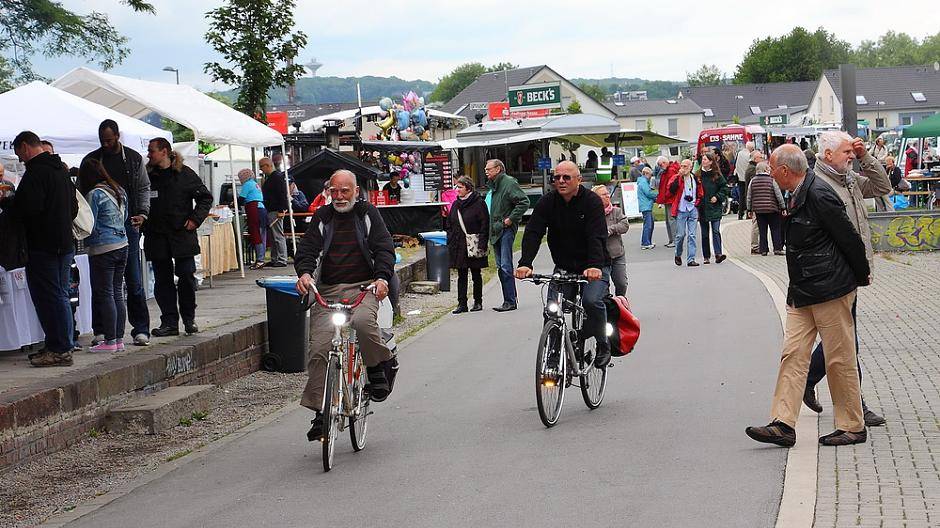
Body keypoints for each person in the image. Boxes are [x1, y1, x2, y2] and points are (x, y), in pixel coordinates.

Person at [746, 144, 871, 447]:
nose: (770, 173)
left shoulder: (819, 194)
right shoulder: (797, 192)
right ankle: (783, 424)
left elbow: (849, 238)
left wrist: (859, 277)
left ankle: (853, 425)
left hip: (830, 289)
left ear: (785, 171)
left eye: (772, 169)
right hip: (803, 291)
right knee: (793, 355)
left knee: (839, 360)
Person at [294, 169, 397, 442]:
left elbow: (384, 248)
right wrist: (304, 274)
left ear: (356, 191)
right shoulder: (322, 217)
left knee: (363, 322)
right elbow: (307, 251)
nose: (339, 196)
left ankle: (376, 367)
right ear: (329, 192)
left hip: (364, 286)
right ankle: (320, 412)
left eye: (345, 191)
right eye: (334, 191)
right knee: (319, 348)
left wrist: (382, 278)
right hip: (328, 290)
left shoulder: (367, 214)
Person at [803, 130, 891, 428]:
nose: (851, 156)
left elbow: (882, 186)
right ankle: (856, 405)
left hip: (851, 270)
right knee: (846, 341)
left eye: (853, 153)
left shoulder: (848, 178)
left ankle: (807, 380)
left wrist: (866, 156)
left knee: (841, 339)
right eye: (846, 152)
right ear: (827, 155)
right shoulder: (819, 185)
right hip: (834, 272)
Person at [515, 161, 612, 368]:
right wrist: (525, 263)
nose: (560, 181)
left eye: (566, 177)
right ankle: (553, 353)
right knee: (552, 310)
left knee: (591, 301)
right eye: (556, 177)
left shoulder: (592, 202)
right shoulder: (547, 202)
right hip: (564, 266)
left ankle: (603, 344)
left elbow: (597, 235)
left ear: (579, 180)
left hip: (594, 265)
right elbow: (533, 233)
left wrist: (595, 265)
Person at [12, 131, 78, 367]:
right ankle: (62, 344)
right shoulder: (60, 169)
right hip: (64, 242)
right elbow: (73, 206)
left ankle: (59, 348)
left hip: (44, 245)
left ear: (25, 146)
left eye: (19, 153)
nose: (19, 159)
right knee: (60, 295)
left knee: (49, 297)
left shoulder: (36, 172)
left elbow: (28, 209)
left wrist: (9, 202)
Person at [83, 120, 152, 346]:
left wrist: (142, 213)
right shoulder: (91, 161)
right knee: (106, 287)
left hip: (125, 228)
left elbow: (143, 187)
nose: (106, 143)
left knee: (130, 281)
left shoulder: (132, 158)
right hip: (110, 231)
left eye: (109, 140)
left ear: (118, 136)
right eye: (102, 140)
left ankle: (138, 329)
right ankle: (106, 332)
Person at [144, 138, 212, 338]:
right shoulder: (149, 176)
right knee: (162, 281)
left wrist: (194, 220)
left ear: (164, 152)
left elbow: (205, 198)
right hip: (157, 236)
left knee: (186, 277)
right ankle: (169, 322)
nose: (149, 155)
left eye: (152, 151)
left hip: (182, 235)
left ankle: (189, 318)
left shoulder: (184, 174)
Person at [77, 159, 129, 352]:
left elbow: (88, 221)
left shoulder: (94, 194)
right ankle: (119, 339)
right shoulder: (119, 190)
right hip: (122, 244)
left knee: (106, 292)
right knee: (117, 292)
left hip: (103, 248)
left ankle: (110, 340)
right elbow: (124, 218)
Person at [486, 159, 528, 312]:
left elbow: (524, 202)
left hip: (505, 229)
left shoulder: (509, 183)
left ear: (498, 169)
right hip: (495, 229)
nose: (486, 171)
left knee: (505, 265)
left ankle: (510, 300)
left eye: (488, 169)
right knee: (499, 266)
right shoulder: (494, 185)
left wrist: (510, 219)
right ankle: (507, 299)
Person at [446, 176, 489, 313]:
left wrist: (482, 242)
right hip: (459, 244)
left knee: (476, 273)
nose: (457, 190)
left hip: (474, 243)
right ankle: (462, 303)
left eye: (460, 187)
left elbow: (484, 223)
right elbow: (449, 223)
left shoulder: (479, 203)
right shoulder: (456, 204)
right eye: (456, 187)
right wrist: (451, 238)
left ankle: (478, 301)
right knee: (461, 274)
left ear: (468, 188)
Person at [593, 184, 629, 296]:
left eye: (608, 193)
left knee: (621, 283)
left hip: (617, 254)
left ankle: (621, 302)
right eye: (604, 194)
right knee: (603, 287)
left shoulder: (616, 211)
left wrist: (611, 229)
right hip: (601, 257)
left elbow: (625, 225)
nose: (608, 196)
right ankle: (608, 307)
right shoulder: (592, 214)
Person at [746, 161, 786, 256]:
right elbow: (778, 195)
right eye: (768, 168)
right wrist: (783, 207)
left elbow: (749, 196)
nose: (769, 170)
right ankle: (777, 248)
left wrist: (749, 209)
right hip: (772, 209)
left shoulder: (753, 181)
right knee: (775, 229)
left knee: (762, 230)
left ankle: (763, 250)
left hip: (759, 210)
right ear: (765, 170)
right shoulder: (772, 180)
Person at [669, 159, 703, 267]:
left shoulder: (695, 178)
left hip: (692, 208)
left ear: (690, 167)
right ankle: (678, 254)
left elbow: (700, 192)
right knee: (680, 234)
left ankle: (691, 259)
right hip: (681, 209)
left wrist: (697, 202)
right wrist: (679, 176)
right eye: (682, 166)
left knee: (692, 235)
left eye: (685, 166)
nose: (683, 168)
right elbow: (671, 190)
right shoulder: (677, 177)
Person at [696, 151, 728, 264]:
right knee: (705, 233)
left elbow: (724, 188)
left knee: (715, 230)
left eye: (705, 159)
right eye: (702, 159)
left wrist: (717, 197)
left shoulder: (716, 175)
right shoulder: (698, 175)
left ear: (710, 162)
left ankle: (718, 253)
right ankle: (706, 256)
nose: (703, 161)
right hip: (702, 207)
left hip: (714, 206)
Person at [260, 156, 288, 267]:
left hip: (276, 209)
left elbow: (281, 194)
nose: (261, 170)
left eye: (262, 167)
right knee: (273, 236)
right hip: (271, 209)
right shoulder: (272, 177)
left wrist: (281, 210)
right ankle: (275, 258)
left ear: (267, 165)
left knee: (278, 235)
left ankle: (281, 259)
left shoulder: (276, 177)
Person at [237, 168, 267, 269]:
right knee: (262, 234)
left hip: (254, 209)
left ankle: (260, 260)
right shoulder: (254, 183)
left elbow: (241, 199)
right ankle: (260, 258)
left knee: (256, 233)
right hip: (261, 209)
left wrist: (233, 203)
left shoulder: (247, 184)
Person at [654, 156, 680, 247]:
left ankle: (675, 240)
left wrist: (667, 195)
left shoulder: (670, 171)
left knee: (671, 220)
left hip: (670, 199)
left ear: (665, 162)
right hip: (668, 199)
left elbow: (672, 186)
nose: (661, 166)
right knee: (669, 220)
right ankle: (672, 239)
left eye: (661, 164)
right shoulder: (668, 170)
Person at [746, 150, 766, 254]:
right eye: (760, 157)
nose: (762, 159)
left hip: (756, 202)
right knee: (756, 225)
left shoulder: (751, 168)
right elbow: (752, 190)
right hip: (756, 202)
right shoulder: (753, 170)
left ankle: (756, 246)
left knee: (757, 225)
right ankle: (754, 246)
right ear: (755, 159)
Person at [638, 166, 658, 249]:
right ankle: (645, 243)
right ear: (646, 174)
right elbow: (648, 193)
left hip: (646, 205)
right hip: (646, 206)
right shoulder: (643, 182)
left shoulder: (643, 181)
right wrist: (658, 195)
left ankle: (647, 241)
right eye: (650, 175)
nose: (650, 177)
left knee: (650, 224)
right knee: (648, 225)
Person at [734, 142, 755, 220]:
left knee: (741, 197)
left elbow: (736, 165)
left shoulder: (739, 153)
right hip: (747, 178)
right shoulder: (749, 155)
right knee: (748, 196)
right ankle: (748, 214)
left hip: (740, 178)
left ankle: (740, 213)